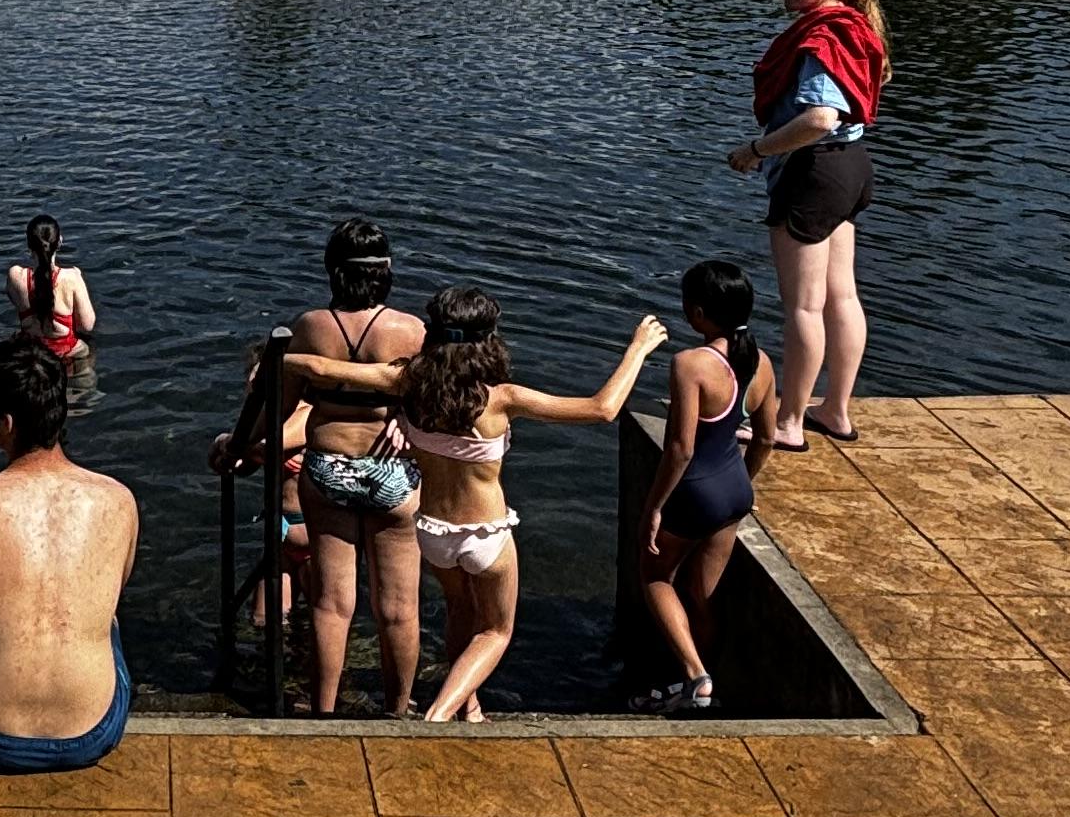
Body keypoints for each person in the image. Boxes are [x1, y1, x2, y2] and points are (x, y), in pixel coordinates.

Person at [286, 287, 666, 728]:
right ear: (488, 340)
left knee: (460, 613)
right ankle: (439, 715)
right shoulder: (501, 399)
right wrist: (638, 348)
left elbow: (318, 367)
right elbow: (602, 408)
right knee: (496, 631)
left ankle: (470, 708)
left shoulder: (408, 381)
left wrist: (281, 359)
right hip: (484, 533)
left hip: (433, 533)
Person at [0, 335, 139, 772]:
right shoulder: (118, 500)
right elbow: (114, 590)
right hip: (93, 733)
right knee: (107, 621)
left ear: (5, 422)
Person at [726, 0, 890, 450]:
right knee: (843, 295)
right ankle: (835, 411)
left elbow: (820, 117)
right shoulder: (857, 26)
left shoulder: (821, 37)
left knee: (803, 304)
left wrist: (756, 151)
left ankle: (792, 421)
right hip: (851, 166)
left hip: (813, 169)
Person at [291, 216, 426, 720]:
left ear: (333, 271)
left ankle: (323, 715)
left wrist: (237, 446)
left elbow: (281, 405)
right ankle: (397, 712)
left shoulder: (310, 328)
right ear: (385, 272)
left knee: (331, 604)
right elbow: (433, 401)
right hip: (391, 472)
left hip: (328, 466)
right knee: (398, 609)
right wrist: (406, 420)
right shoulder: (411, 330)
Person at [632, 260, 776, 715]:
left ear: (697, 312)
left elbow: (679, 448)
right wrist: (739, 484)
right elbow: (767, 438)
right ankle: (696, 679)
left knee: (655, 576)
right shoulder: (762, 362)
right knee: (703, 594)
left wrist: (654, 507)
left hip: (695, 492)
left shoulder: (691, 364)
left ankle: (696, 676)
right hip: (734, 490)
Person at [6, 211, 96, 359]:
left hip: (30, 351)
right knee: (84, 351)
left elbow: (14, 299)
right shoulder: (72, 277)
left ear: (29, 244)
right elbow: (87, 326)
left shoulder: (15, 275)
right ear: (59, 242)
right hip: (66, 352)